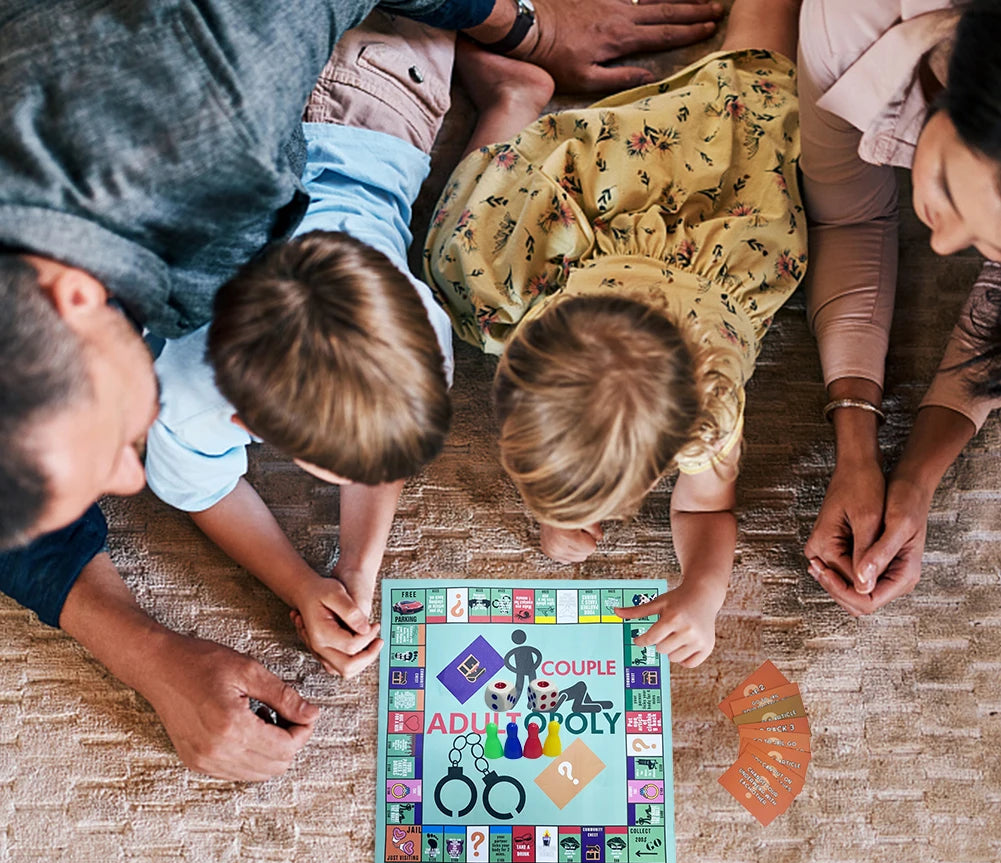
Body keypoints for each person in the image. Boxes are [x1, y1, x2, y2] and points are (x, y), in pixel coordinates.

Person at [0, 0, 726, 781]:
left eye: (106, 451)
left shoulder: (220, 96)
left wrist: (523, 22)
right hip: (375, 119)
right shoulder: (213, 341)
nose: (131, 479)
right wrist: (155, 650)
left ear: (67, 295)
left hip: (337, 86)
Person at [426, 0, 806, 668]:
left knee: (755, 89)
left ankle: (516, 98)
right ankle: (513, 101)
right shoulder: (532, 293)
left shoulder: (710, 412)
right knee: (462, 258)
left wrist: (703, 589)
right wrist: (557, 508)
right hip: (615, 193)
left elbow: (705, 513)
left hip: (695, 217)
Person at [145, 14, 457, 681]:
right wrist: (297, 582)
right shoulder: (182, 387)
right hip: (367, 92)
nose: (368, 481)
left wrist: (357, 566)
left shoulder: (421, 337)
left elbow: (380, 440)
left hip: (351, 97)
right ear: (244, 422)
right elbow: (199, 490)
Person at [799, 0, 1001, 615]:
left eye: (991, 246)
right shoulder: (852, 22)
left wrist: (913, 481)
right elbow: (849, 218)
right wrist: (853, 443)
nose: (940, 247)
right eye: (943, 183)